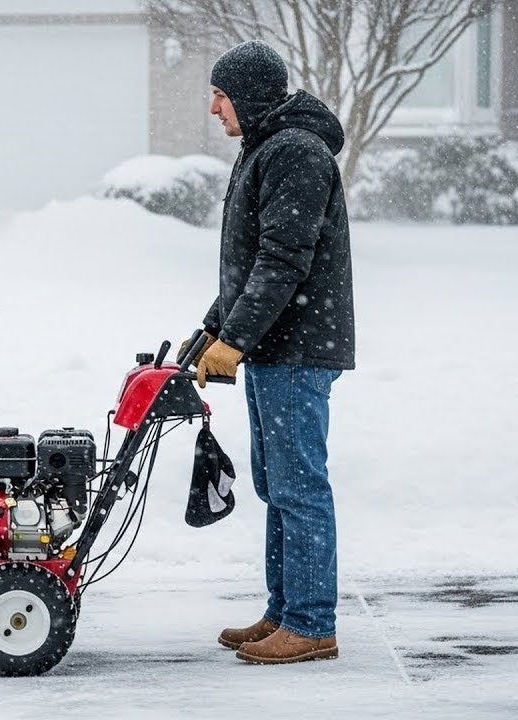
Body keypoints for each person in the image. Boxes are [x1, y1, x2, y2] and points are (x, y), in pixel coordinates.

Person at [184, 40, 355, 664]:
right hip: (274, 345)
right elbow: (250, 263)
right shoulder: (268, 147)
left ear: (249, 97)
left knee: (299, 484)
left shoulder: (294, 153)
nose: (213, 108)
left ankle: (312, 623)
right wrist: (212, 330)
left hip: (297, 346)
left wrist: (234, 339)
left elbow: (283, 261)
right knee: (275, 480)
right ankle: (285, 610)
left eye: (221, 96)